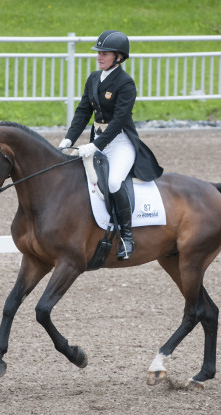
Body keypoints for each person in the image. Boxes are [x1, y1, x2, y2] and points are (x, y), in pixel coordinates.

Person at [59, 30, 163, 261]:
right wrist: (69, 139)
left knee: (114, 182)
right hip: (97, 142)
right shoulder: (94, 78)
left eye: (104, 53)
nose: (99, 57)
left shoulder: (126, 83)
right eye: (99, 52)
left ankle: (127, 236)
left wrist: (95, 145)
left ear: (119, 57)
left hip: (120, 142)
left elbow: (117, 122)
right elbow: (83, 111)